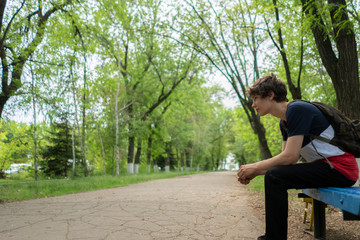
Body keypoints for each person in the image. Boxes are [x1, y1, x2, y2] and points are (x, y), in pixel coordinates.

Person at [237, 73, 359, 240]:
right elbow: (286, 162)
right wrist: (254, 172)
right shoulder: (284, 121)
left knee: (274, 176)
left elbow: (290, 157)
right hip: (327, 168)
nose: (253, 105)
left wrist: (255, 167)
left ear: (271, 95)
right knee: (275, 175)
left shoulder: (297, 110)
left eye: (256, 98)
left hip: (341, 169)